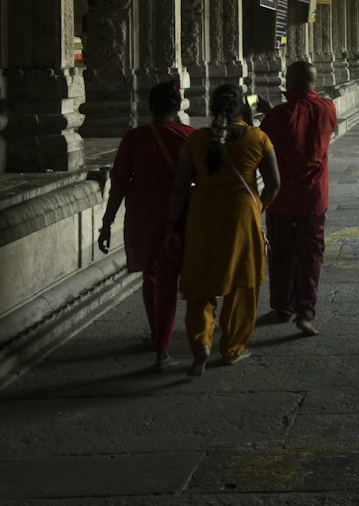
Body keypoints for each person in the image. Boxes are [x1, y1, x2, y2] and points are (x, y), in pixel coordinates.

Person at [166, 83, 280, 376]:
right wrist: (259, 207)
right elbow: (275, 184)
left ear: (212, 106)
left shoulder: (196, 141)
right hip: (243, 215)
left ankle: (201, 343)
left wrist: (171, 227)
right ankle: (231, 348)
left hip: (202, 214)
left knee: (200, 283)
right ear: (243, 107)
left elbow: (179, 189)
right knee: (243, 282)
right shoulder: (257, 137)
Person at [97, 82, 194, 372]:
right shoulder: (191, 137)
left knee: (152, 278)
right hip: (180, 217)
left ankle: (158, 340)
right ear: (177, 107)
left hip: (142, 217)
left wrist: (106, 223)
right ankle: (165, 348)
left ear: (150, 107)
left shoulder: (134, 138)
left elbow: (119, 185)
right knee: (171, 281)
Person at [260, 60, 338, 336]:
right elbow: (307, 125)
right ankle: (306, 312)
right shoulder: (327, 109)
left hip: (280, 198)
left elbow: (265, 143)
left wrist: (263, 115)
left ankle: (283, 306)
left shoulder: (278, 116)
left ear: (289, 83)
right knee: (312, 254)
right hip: (314, 198)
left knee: (281, 253)